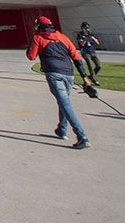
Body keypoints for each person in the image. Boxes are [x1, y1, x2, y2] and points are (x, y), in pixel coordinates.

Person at [26, 16, 95, 149]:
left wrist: (31, 42)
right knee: (64, 102)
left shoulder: (38, 38)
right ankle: (62, 130)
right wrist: (84, 77)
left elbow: (31, 56)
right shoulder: (63, 37)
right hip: (68, 75)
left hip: (54, 74)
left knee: (65, 104)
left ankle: (82, 136)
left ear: (38, 27)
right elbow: (76, 57)